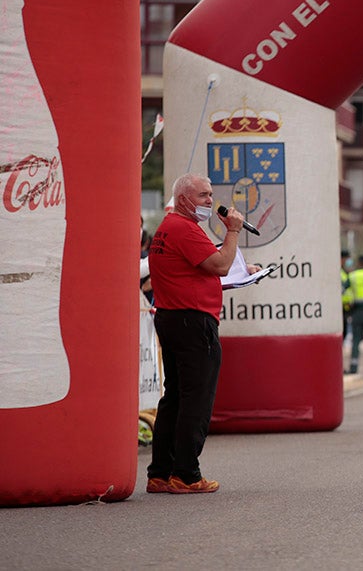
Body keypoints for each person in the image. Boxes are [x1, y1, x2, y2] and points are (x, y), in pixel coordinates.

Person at [146, 173, 255, 494]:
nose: (211, 201)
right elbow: (220, 265)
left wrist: (239, 270)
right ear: (183, 200)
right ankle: (187, 474)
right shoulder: (184, 229)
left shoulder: (169, 228)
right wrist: (233, 231)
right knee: (196, 399)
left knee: (176, 397)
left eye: (210, 195)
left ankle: (160, 473)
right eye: (203, 196)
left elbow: (204, 267)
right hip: (193, 322)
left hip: (173, 317)